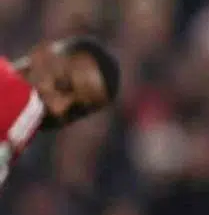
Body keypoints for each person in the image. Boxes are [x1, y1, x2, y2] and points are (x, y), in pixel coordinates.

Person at [0, 35, 121, 184]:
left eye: (75, 110)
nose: (58, 109)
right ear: (42, 56)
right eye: (62, 85)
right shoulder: (22, 102)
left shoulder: (19, 142)